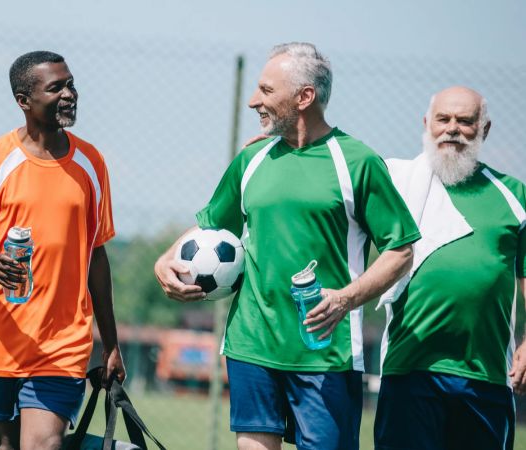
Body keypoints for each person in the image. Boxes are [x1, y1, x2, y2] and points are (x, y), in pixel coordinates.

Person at [154, 42, 420, 450]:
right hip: (251, 343)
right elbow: (209, 226)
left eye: (266, 90)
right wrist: (165, 260)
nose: (253, 101)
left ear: (304, 97)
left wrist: (347, 299)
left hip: (325, 353)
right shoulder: (252, 159)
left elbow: (400, 250)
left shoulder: (359, 163)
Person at [0, 50, 125, 450]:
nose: (69, 94)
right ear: (24, 101)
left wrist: (110, 344)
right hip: (1, 337)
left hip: (64, 342)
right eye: (56, 87)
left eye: (70, 83)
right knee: (5, 445)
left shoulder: (92, 162)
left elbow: (97, 256)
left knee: (42, 444)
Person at [375, 86, 524, 450]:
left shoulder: (514, 195)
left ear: (484, 129)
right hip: (408, 369)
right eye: (443, 119)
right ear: (427, 124)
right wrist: (291, 149)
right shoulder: (395, 182)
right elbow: (337, 182)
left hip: (485, 376)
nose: (452, 129)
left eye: (465, 121)